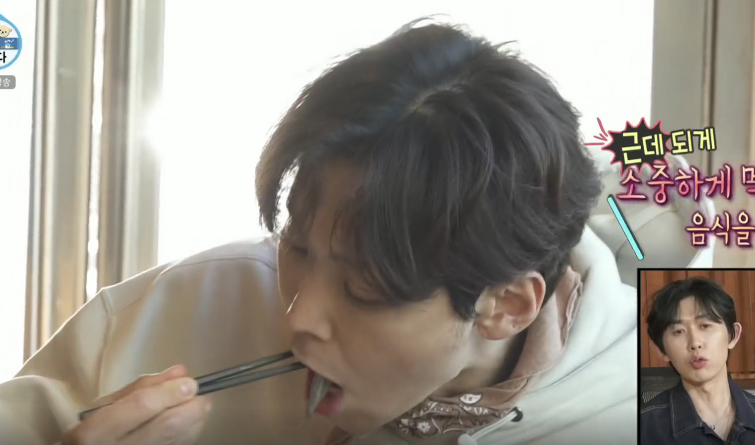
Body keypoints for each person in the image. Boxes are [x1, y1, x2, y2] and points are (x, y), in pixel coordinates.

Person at [0, 19, 712, 445]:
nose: (299, 316)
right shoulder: (177, 310)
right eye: (297, 245)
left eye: (366, 287)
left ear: (506, 304)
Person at [641, 277, 755, 444]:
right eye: (678, 331)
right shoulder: (643, 427)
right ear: (660, 349)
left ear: (733, 335)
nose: (695, 343)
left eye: (705, 326)